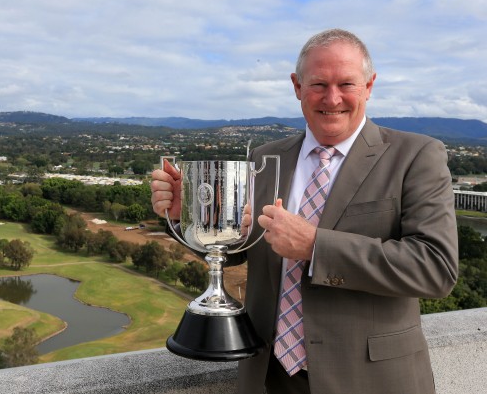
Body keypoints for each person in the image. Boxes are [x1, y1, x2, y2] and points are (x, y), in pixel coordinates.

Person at [151, 28, 458, 394]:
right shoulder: (266, 158)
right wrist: (188, 217)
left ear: (369, 86)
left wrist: (316, 246)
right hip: (268, 375)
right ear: (297, 87)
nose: (333, 98)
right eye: (318, 85)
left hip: (369, 380)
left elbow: (436, 268)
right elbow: (239, 251)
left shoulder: (417, 155)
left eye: (346, 83)